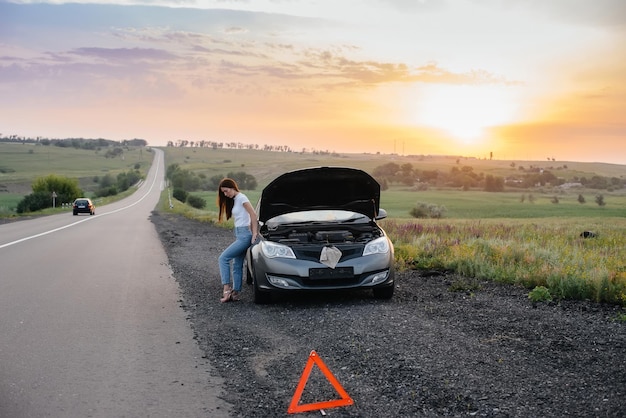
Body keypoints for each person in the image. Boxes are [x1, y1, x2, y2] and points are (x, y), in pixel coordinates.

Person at [216, 178, 259, 303]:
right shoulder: (235, 199)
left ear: (232, 187)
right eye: (223, 192)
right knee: (237, 264)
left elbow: (253, 214)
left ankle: (226, 288)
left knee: (223, 258)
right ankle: (235, 293)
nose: (225, 194)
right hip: (240, 234)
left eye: (226, 191)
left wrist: (254, 233)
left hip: (245, 235)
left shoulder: (241, 197)